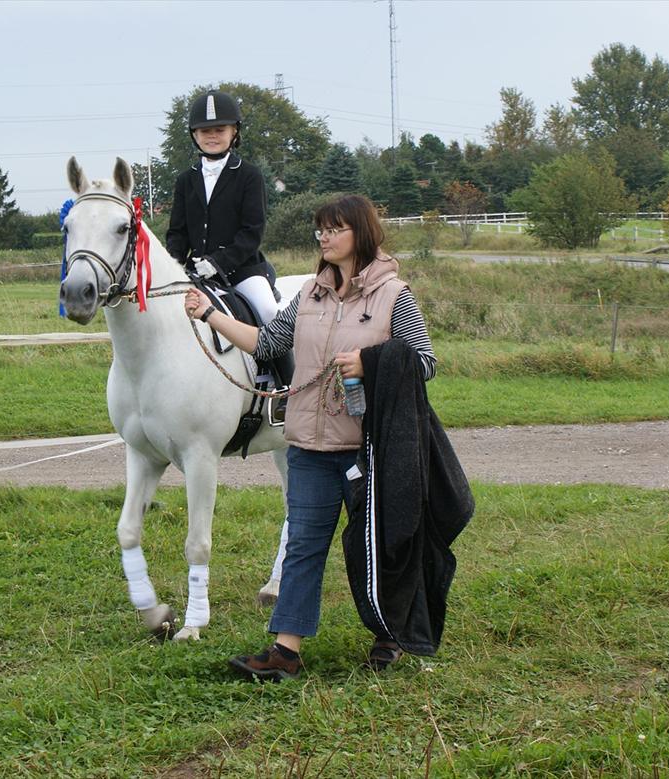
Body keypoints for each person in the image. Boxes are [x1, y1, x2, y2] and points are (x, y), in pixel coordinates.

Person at [184, 194, 437, 681]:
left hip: (369, 448)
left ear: (360, 234)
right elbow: (267, 343)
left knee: (378, 547)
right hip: (309, 447)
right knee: (303, 545)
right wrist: (209, 315)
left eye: (333, 229)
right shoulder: (311, 295)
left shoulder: (393, 295)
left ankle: (390, 636)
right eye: (319, 229)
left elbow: (424, 362)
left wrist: (371, 363)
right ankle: (286, 650)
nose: (323, 237)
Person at [167, 89, 277, 326]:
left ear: (234, 131)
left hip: (242, 272)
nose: (213, 136)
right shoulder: (186, 179)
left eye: (220, 130)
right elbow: (178, 232)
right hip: (194, 273)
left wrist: (218, 263)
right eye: (206, 131)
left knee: (268, 311)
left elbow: (252, 232)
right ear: (195, 135)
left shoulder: (249, 175)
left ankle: (279, 364)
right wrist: (173, 266)